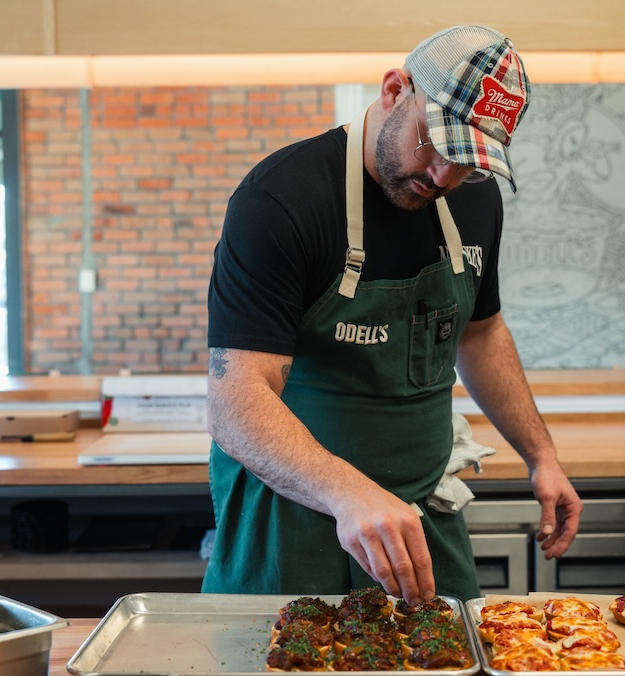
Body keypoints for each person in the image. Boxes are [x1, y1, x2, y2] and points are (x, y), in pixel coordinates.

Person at [203, 25, 582, 603]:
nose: (443, 178)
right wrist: (348, 493)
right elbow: (236, 401)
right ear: (394, 90)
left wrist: (541, 455)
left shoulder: (473, 197)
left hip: (421, 513)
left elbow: (480, 336)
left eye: (468, 162)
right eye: (435, 145)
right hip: (292, 517)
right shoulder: (281, 201)